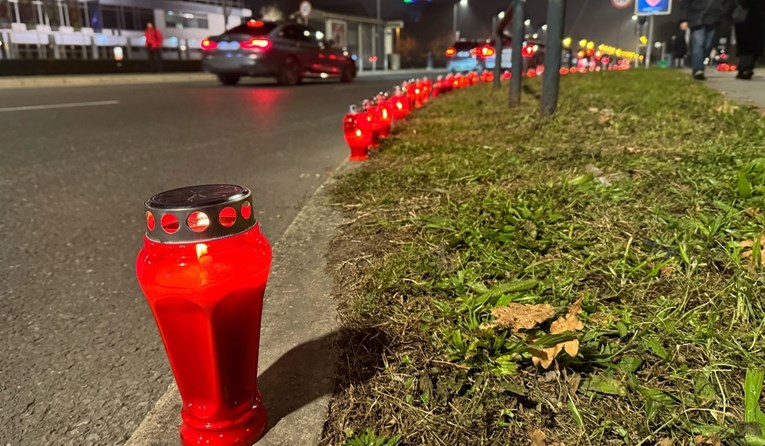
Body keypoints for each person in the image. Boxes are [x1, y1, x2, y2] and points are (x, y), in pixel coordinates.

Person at [680, 0, 732, 80]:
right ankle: (698, 69)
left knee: (708, 45)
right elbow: (685, 2)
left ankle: (699, 66)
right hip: (696, 18)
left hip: (714, 18)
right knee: (698, 44)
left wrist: (722, 11)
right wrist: (683, 19)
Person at [733, 0, 764, 79]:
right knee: (751, 47)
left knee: (746, 47)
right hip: (752, 19)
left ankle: (744, 68)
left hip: (746, 19)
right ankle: (745, 68)